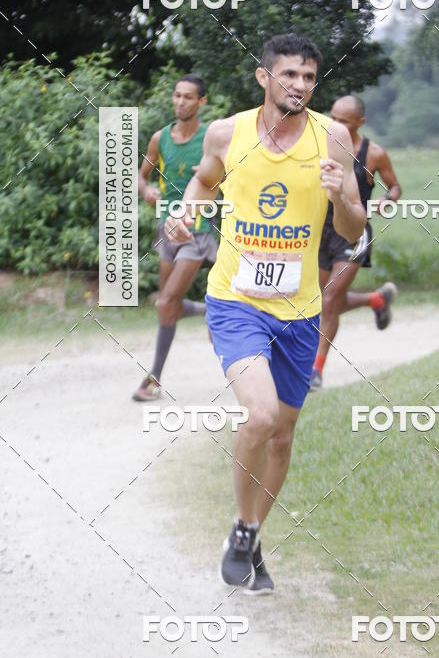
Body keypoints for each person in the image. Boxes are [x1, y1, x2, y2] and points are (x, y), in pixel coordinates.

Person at [166, 33, 366, 593]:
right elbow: (204, 183)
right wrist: (183, 219)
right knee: (261, 417)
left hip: (300, 311)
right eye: (290, 75)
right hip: (236, 300)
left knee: (283, 436)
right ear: (264, 78)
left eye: (308, 77)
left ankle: (249, 535)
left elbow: (353, 231)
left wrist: (343, 198)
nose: (300, 85)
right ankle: (241, 526)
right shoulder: (226, 132)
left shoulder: (335, 138)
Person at [132, 74, 217, 401]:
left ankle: (153, 380)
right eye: (177, 96)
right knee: (167, 306)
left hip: (197, 230)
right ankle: (211, 310)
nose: (181, 102)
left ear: (201, 102)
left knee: (166, 301)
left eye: (188, 97)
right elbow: (142, 176)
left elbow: (227, 178)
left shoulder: (212, 138)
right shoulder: (159, 138)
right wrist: (148, 189)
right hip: (165, 228)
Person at [310, 95, 402, 392]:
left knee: (328, 300)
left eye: (344, 121)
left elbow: (395, 185)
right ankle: (376, 300)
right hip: (320, 229)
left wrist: (387, 200)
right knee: (320, 301)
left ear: (360, 122)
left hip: (353, 231)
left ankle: (315, 370)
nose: (334, 124)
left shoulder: (373, 153)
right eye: (332, 117)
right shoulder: (319, 144)